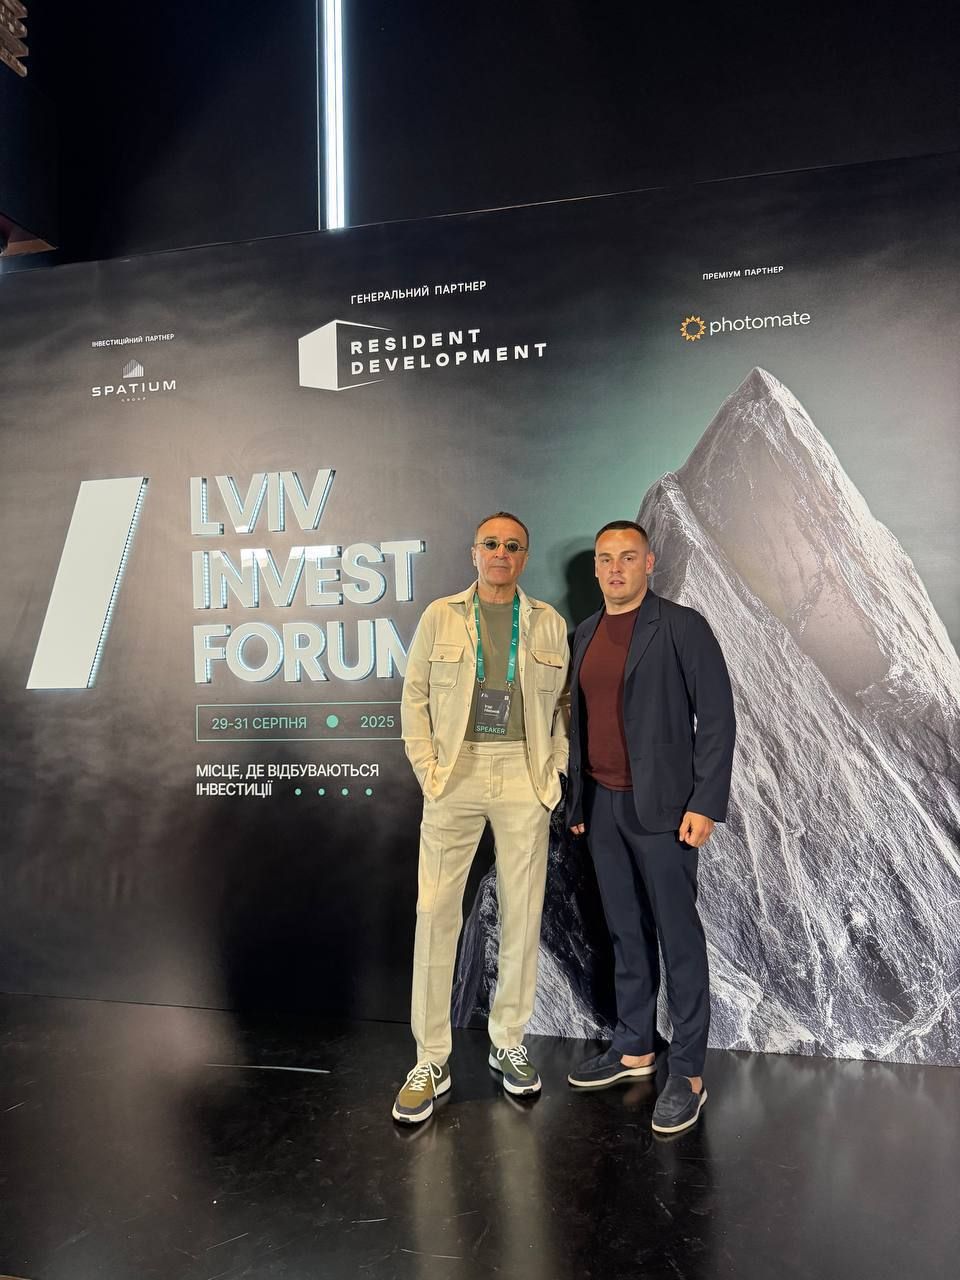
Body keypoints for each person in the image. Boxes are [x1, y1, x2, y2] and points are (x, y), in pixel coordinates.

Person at [393, 512, 570, 1124]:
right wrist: (430, 769)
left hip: (524, 771)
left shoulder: (548, 623)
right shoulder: (440, 616)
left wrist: (554, 772)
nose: (501, 553)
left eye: (513, 546)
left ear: (524, 557)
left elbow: (563, 706)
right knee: (435, 912)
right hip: (456, 770)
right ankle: (430, 1059)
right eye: (491, 544)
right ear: (474, 553)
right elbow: (414, 696)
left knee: (522, 912)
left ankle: (509, 1042)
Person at [565, 520, 735, 1134]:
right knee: (624, 931)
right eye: (605, 558)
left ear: (649, 563)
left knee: (678, 937)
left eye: (627, 557)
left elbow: (717, 717)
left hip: (664, 811)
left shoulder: (683, 626)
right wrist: (579, 804)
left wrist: (705, 804)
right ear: (596, 569)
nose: (616, 569)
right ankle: (634, 1046)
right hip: (603, 808)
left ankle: (687, 1072)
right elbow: (580, 722)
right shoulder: (585, 633)